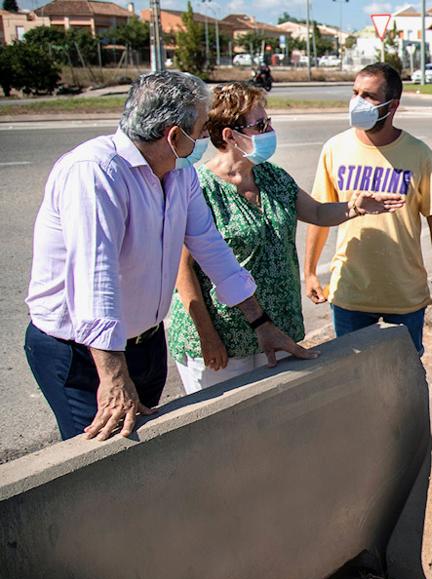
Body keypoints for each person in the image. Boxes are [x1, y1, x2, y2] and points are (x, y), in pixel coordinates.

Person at [25, 71, 315, 442]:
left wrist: (261, 324)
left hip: (144, 344)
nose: (202, 141)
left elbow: (212, 249)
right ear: (174, 136)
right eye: (197, 131)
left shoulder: (179, 176)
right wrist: (113, 376)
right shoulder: (95, 174)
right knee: (103, 458)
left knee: (142, 453)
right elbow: (96, 281)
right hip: (84, 354)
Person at [167, 81, 404, 393]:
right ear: (230, 135)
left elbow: (317, 213)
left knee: (270, 428)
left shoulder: (273, 177)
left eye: (269, 122)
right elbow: (182, 270)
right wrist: (207, 336)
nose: (269, 130)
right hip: (223, 343)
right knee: (226, 434)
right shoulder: (198, 187)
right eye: (260, 124)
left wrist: (355, 207)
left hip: (275, 331)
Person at [304, 63, 432, 355]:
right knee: (353, 375)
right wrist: (310, 271)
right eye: (355, 93)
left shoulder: (418, 153)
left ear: (392, 105)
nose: (358, 101)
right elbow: (320, 214)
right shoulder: (335, 148)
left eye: (369, 96)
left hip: (404, 293)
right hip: (350, 292)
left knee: (405, 375)